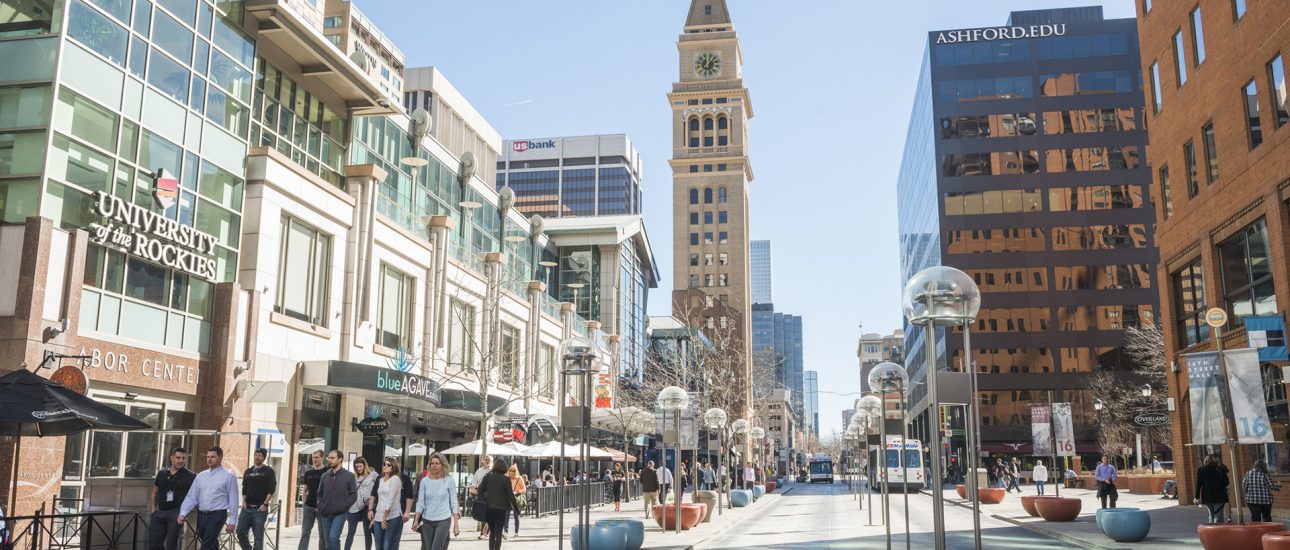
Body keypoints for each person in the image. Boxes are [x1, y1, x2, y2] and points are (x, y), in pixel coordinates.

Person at [177, 447, 239, 550]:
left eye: (212, 457)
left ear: (220, 457)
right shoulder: (201, 476)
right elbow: (192, 496)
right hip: (202, 515)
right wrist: (183, 513)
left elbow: (234, 500)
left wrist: (232, 521)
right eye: (208, 457)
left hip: (217, 515)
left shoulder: (229, 477)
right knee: (210, 543)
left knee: (206, 544)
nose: (209, 459)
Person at [148, 447, 195, 550]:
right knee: (154, 544)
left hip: (176, 513)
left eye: (183, 458)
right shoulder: (162, 473)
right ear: (171, 458)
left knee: (171, 545)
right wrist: (153, 511)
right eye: (178, 458)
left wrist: (183, 513)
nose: (181, 460)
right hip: (160, 512)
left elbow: (193, 496)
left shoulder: (190, 476)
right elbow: (154, 492)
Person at [413, 453, 460, 550]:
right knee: (428, 547)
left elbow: (454, 503)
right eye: (432, 463)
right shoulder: (424, 481)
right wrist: (416, 520)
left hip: (443, 520)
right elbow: (420, 502)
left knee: (436, 547)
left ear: (442, 465)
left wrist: (456, 525)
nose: (434, 465)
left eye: (437, 463)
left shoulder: (449, 480)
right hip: (427, 520)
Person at [316, 450, 357, 550]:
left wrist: (344, 506)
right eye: (329, 458)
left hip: (340, 513)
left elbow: (354, 494)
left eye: (332, 458)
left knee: (333, 537)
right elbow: (319, 493)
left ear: (340, 459)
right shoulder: (325, 476)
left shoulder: (349, 476)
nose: (330, 460)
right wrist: (320, 506)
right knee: (328, 541)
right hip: (325, 513)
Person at [237, 448, 276, 550]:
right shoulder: (248, 471)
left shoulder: (269, 471)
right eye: (256, 455)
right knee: (240, 532)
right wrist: (243, 502)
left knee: (258, 538)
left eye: (260, 455)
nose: (257, 457)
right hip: (246, 508)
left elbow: (271, 489)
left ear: (264, 458)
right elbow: (244, 489)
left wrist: (265, 504)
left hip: (259, 509)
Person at [477, 458, 521, 550]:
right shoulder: (506, 479)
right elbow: (511, 495)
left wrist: (485, 498)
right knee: (498, 533)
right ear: (504, 468)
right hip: (501, 509)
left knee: (492, 532)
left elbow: (479, 491)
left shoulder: (487, 477)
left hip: (489, 509)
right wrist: (516, 509)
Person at [369, 458, 401, 550]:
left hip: (392, 516)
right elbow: (380, 500)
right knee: (378, 546)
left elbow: (390, 500)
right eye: (384, 464)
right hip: (379, 516)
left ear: (393, 467)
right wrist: (376, 517)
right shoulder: (381, 480)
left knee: (387, 545)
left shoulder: (395, 479)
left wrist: (384, 518)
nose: (386, 466)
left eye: (388, 465)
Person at [345, 458, 376, 550]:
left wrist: (374, 501)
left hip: (367, 507)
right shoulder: (353, 477)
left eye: (360, 466)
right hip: (353, 507)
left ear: (364, 465)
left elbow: (379, 488)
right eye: (356, 467)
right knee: (351, 532)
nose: (358, 468)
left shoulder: (373, 475)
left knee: (367, 532)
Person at [299, 451, 327, 550]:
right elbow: (305, 490)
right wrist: (304, 504)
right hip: (309, 507)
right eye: (313, 457)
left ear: (322, 458)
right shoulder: (308, 473)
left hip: (322, 508)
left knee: (323, 534)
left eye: (317, 457)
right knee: (305, 533)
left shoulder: (327, 472)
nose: (314, 459)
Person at [1196, 454, 1231, 523]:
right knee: (1218, 514)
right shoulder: (1221, 469)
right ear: (1216, 460)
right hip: (1220, 496)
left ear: (1206, 461)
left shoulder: (1201, 470)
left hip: (1207, 496)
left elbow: (1198, 484)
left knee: (1211, 514)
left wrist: (1196, 497)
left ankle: (1212, 527)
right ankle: (1218, 528)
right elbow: (1226, 482)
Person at [470, 456, 493, 540]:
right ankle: (484, 533)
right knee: (483, 514)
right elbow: (473, 485)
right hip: (482, 496)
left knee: (490, 514)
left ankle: (485, 533)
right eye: (486, 459)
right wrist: (476, 492)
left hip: (492, 496)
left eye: (489, 460)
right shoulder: (479, 471)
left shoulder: (494, 471)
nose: (487, 461)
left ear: (492, 462)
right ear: (483, 461)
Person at [504, 464, 525, 538]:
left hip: (516, 498)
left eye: (513, 470)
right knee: (506, 516)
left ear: (516, 471)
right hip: (508, 498)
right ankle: (505, 532)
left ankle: (516, 532)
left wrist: (517, 492)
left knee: (516, 516)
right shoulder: (506, 478)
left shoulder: (519, 478)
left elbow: (524, 489)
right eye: (510, 470)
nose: (511, 472)